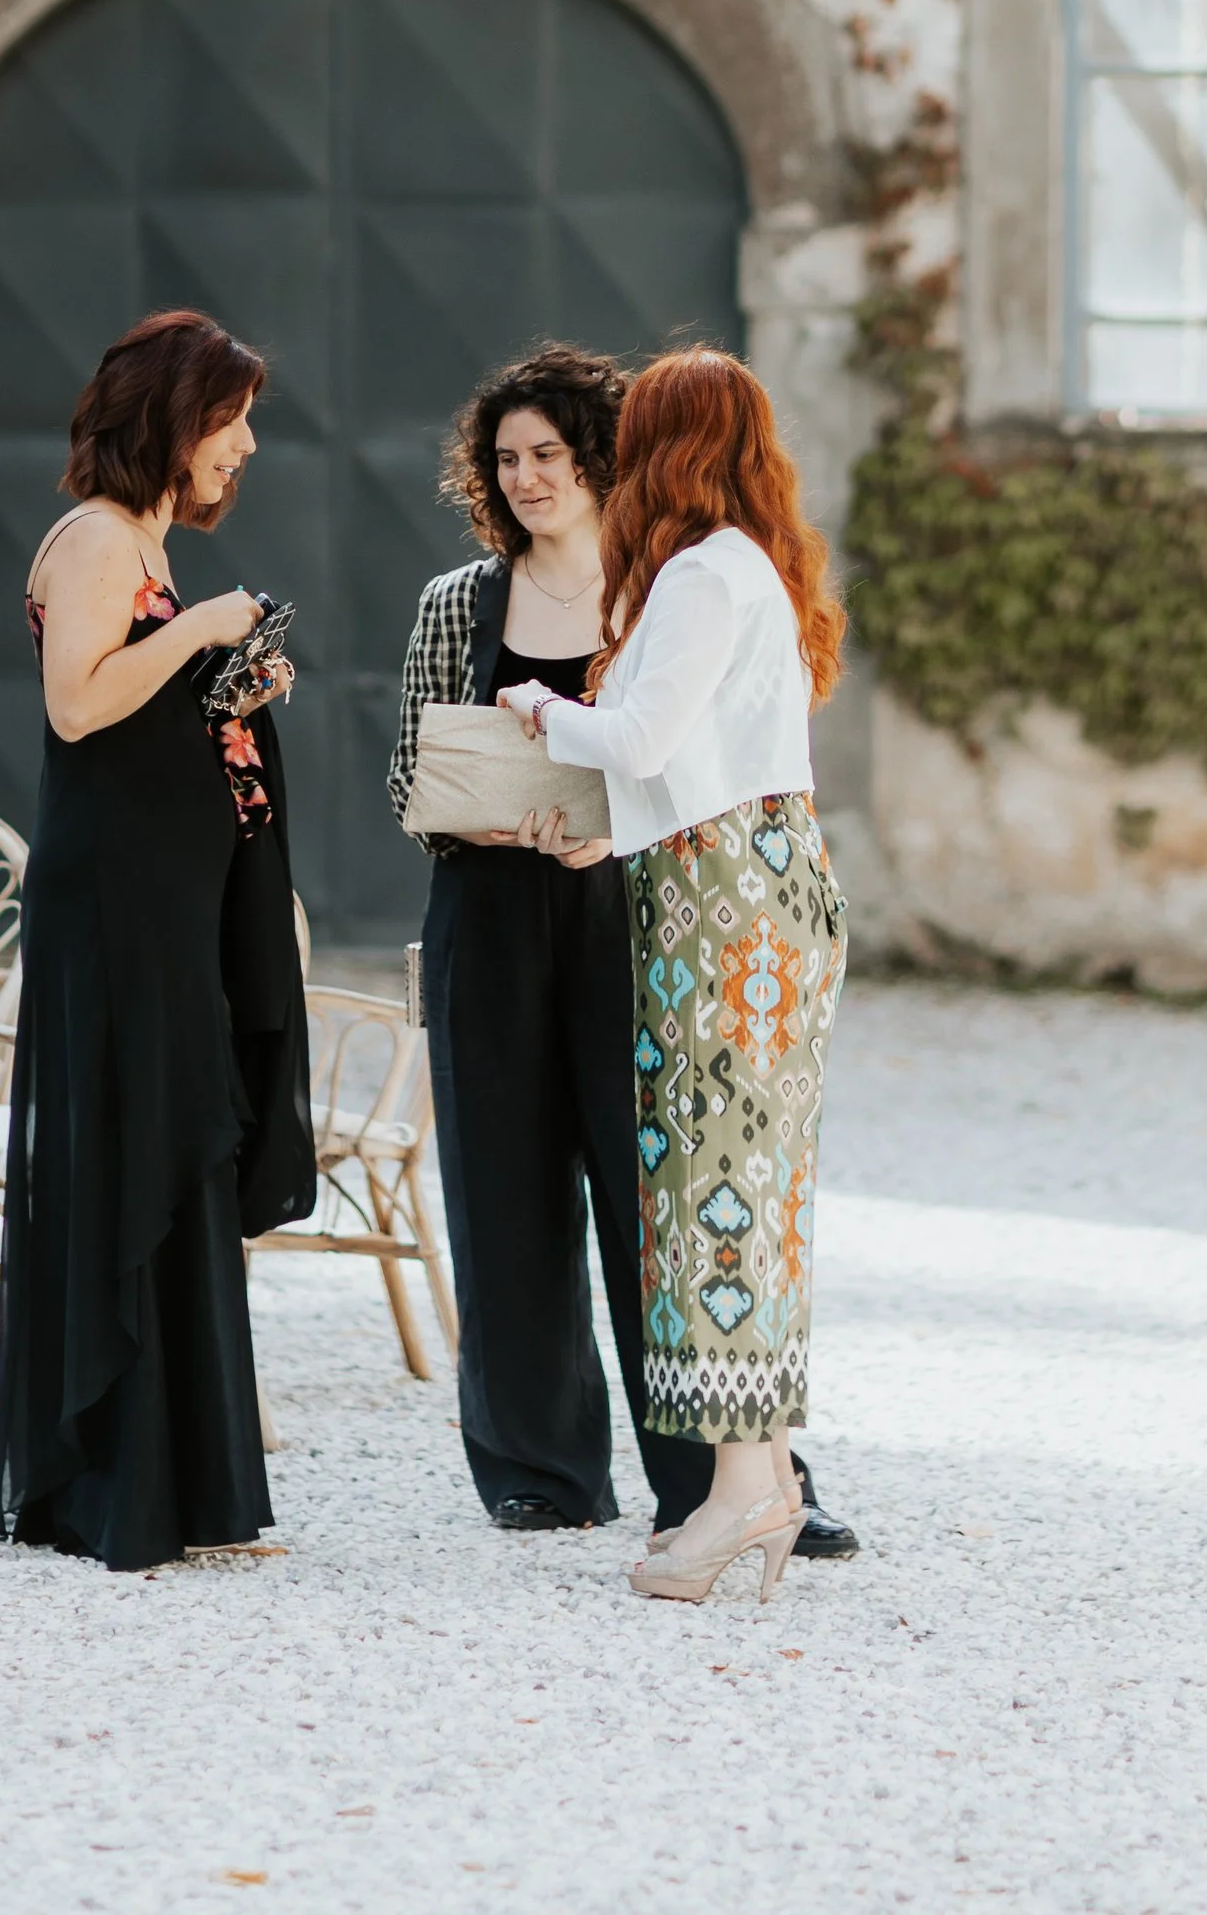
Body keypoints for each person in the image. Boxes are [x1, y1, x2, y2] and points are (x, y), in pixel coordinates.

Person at [388, 342, 856, 1559]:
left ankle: (713, 1471)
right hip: (488, 908)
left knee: (661, 1188)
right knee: (501, 1196)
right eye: (507, 459)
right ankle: (538, 1470)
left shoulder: (659, 586)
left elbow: (668, 751)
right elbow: (408, 776)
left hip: (634, 906)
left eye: (549, 453)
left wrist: (602, 829)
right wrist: (496, 820)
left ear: (603, 458)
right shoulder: (459, 603)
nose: (529, 477)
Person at [0, 308, 314, 1573]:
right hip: (114, 909)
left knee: (174, 1152)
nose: (243, 449)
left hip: (165, 904)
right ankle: (111, 1484)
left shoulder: (148, 554)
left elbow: (142, 715)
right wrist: (196, 633)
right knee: (132, 1153)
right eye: (229, 424)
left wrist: (229, 687)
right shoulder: (94, 541)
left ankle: (175, 1481)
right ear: (172, 424)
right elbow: (78, 708)